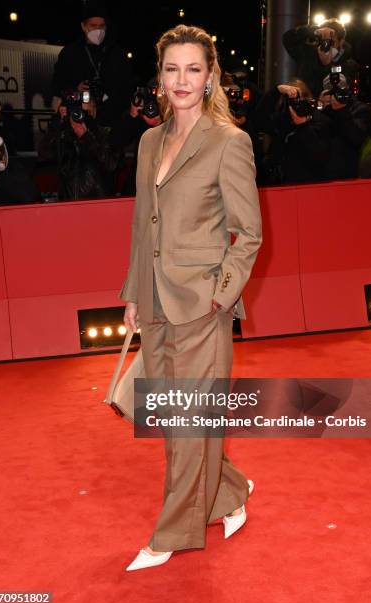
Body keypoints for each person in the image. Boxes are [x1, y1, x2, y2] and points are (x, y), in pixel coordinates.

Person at [118, 24, 262, 571]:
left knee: (185, 422)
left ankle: (170, 535)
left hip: (202, 305)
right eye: (172, 69)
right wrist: (134, 293)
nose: (181, 80)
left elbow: (249, 234)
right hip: (154, 302)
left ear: (210, 78)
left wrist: (219, 298)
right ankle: (228, 491)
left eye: (193, 69)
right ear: (160, 76)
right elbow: (142, 225)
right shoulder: (148, 141)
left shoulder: (229, 142)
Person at [51, 1, 133, 127]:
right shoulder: (69, 53)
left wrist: (106, 95)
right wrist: (75, 90)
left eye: (101, 26)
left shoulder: (117, 54)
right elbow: (57, 87)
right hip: (78, 122)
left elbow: (126, 89)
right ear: (84, 26)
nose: (98, 30)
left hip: (111, 123)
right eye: (93, 25)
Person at [282, 19, 358, 98]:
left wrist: (327, 65)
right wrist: (314, 30)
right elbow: (287, 37)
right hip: (305, 105)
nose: (327, 45)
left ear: (341, 42)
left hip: (328, 109)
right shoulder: (308, 54)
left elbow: (339, 94)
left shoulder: (349, 65)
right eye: (323, 40)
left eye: (331, 41)